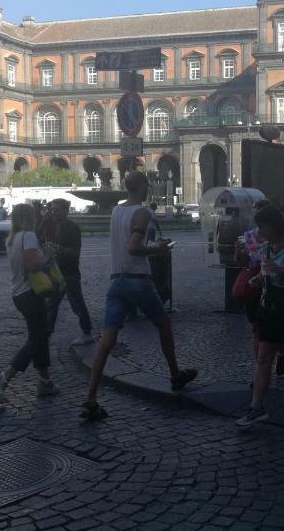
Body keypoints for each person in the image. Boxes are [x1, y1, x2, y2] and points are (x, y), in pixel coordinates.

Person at [82, 171, 197, 421]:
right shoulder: (142, 212)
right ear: (142, 186)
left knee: (107, 340)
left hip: (117, 280)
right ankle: (175, 374)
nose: (149, 187)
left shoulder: (115, 211)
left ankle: (90, 399)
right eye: (148, 184)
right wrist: (156, 248)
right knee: (164, 325)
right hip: (138, 280)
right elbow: (134, 247)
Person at [237, 205, 284, 428]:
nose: (260, 231)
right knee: (263, 357)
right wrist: (259, 280)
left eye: (262, 226)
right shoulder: (268, 247)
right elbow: (267, 273)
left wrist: (283, 271)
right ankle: (256, 408)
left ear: (274, 225)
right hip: (271, 306)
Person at [0, 204, 59, 403]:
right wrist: (48, 255)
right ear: (29, 217)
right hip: (30, 293)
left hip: (19, 293)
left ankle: (45, 382)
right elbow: (33, 264)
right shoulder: (27, 235)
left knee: (40, 335)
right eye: (34, 215)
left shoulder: (12, 239)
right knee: (38, 338)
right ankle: (3, 378)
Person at [44, 199, 94, 345]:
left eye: (57, 210)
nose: (53, 213)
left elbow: (75, 253)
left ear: (66, 211)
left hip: (69, 273)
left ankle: (87, 332)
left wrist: (57, 248)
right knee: (51, 305)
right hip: (56, 272)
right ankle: (46, 335)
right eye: (52, 210)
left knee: (76, 303)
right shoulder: (52, 225)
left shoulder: (72, 228)